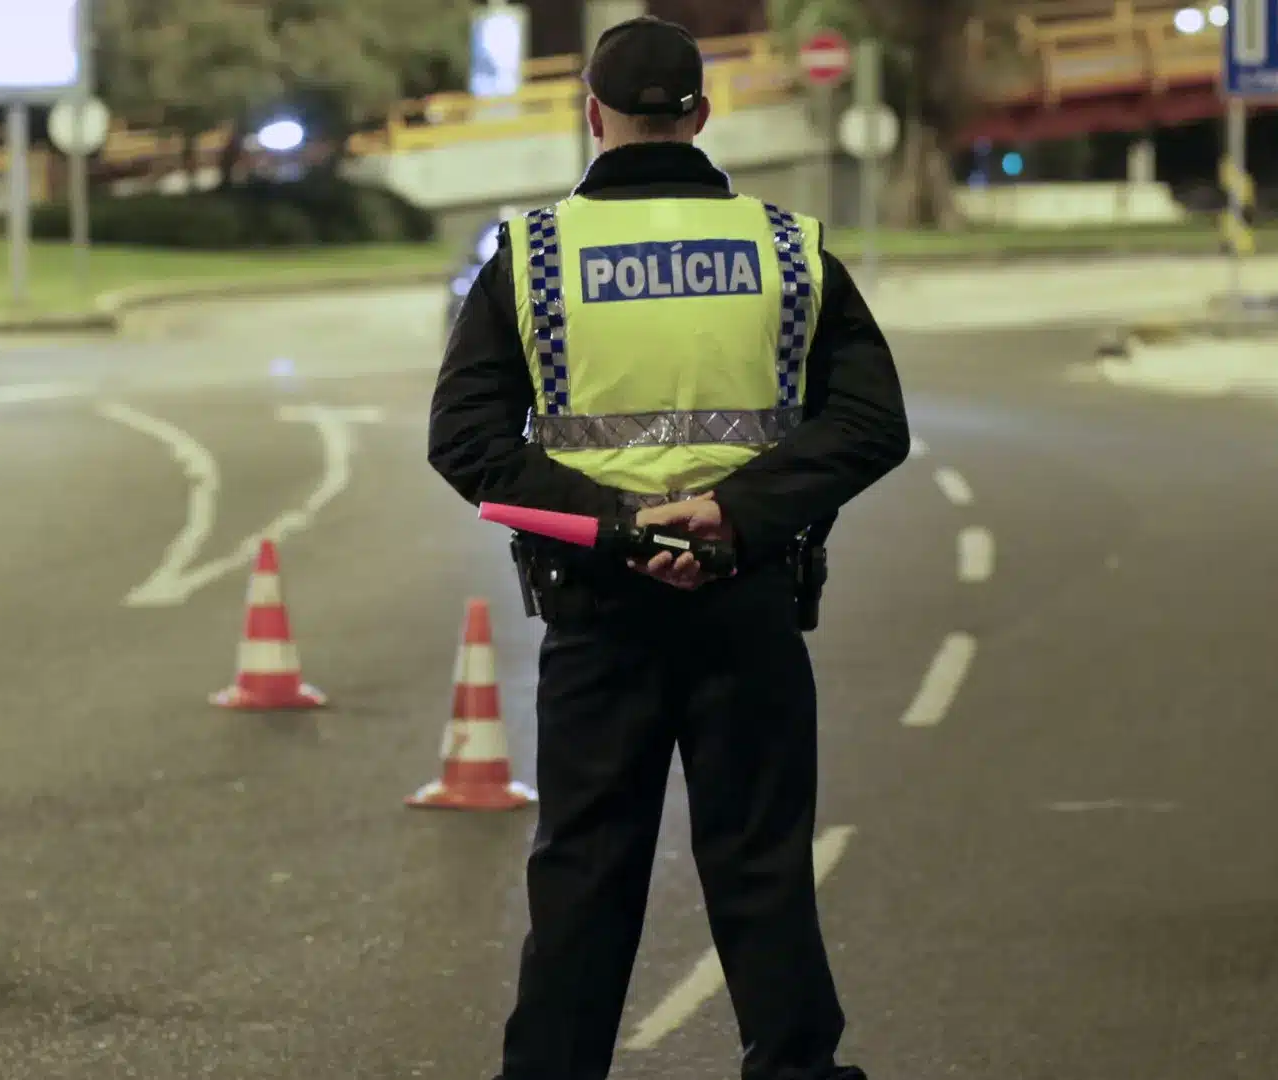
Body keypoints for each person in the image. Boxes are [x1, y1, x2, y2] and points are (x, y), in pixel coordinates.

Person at [427, 15, 910, 1080]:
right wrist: (736, 514)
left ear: (591, 113)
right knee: (761, 871)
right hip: (750, 603)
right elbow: (874, 424)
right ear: (699, 113)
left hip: (600, 612)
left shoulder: (533, 258)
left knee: (585, 879)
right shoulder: (788, 248)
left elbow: (464, 443)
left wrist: (616, 529)